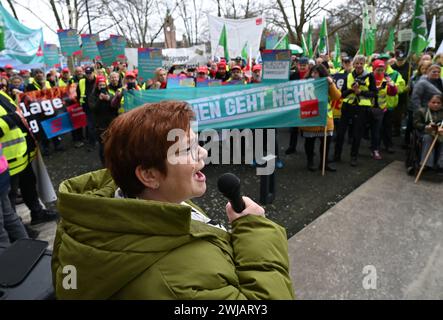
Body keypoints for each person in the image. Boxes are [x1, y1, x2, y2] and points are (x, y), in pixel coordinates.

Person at [51, 101, 295, 300]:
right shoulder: (178, 281)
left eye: (197, 143)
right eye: (188, 149)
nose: (203, 153)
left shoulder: (100, 215)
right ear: (149, 175)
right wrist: (255, 230)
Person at [0, 80, 58, 226]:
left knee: (29, 185)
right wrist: (13, 118)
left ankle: (37, 213)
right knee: (9, 199)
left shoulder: (2, 93)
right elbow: (13, 117)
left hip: (21, 155)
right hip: (7, 161)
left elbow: (17, 111)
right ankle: (17, 231)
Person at [334, 55, 377, 167]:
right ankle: (336, 155)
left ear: (364, 64)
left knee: (357, 134)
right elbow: (342, 94)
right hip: (348, 105)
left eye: (361, 63)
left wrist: (360, 92)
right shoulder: (348, 76)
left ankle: (354, 157)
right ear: (353, 64)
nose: (358, 65)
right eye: (356, 63)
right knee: (341, 132)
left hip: (362, 107)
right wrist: (351, 90)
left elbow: (374, 93)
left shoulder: (369, 76)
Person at [300, 64, 341, 172]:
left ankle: (324, 163)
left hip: (325, 119)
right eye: (312, 72)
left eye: (316, 73)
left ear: (322, 74)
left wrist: (331, 83)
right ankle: (310, 162)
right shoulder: (305, 83)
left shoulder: (327, 83)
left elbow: (337, 96)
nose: (313, 75)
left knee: (326, 144)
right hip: (311, 118)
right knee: (309, 143)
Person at [370, 59, 398, 160]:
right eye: (378, 69)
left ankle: (375, 150)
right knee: (360, 131)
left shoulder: (386, 79)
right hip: (366, 109)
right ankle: (355, 152)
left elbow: (393, 93)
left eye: (382, 69)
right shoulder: (369, 77)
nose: (380, 71)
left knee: (377, 131)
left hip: (380, 110)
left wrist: (392, 85)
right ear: (373, 69)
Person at [88, 75, 117, 165]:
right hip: (100, 126)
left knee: (113, 145)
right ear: (97, 86)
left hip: (111, 124)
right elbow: (93, 109)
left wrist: (109, 99)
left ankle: (113, 162)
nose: (102, 87)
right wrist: (99, 100)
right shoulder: (93, 96)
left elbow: (115, 108)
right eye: (100, 85)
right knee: (103, 146)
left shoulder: (110, 94)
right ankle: (104, 164)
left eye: (103, 85)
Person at [286, 57, 311, 155]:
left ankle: (309, 149)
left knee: (307, 130)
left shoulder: (312, 75)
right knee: (294, 128)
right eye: (301, 65)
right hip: (295, 105)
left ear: (308, 66)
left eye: (304, 65)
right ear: (297, 65)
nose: (302, 67)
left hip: (307, 105)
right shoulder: (293, 75)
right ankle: (292, 147)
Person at [405, 60, 433, 147]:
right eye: (423, 68)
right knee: (410, 124)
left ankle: (420, 143)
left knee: (422, 126)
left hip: (426, 107)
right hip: (413, 106)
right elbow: (410, 91)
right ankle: (407, 142)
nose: (424, 70)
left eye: (427, 68)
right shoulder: (414, 78)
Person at [413, 94, 443, 174]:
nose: (436, 104)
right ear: (428, 102)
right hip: (425, 133)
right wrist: (425, 126)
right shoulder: (421, 111)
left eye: (438, 103)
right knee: (428, 138)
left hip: (440, 134)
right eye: (433, 102)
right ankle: (426, 164)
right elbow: (416, 124)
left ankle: (440, 164)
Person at [77, 66, 97, 150]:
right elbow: (78, 93)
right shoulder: (81, 81)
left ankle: (99, 141)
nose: (89, 75)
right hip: (87, 108)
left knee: (99, 125)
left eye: (90, 73)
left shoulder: (98, 80)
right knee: (90, 126)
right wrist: (81, 102)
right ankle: (92, 143)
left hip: (98, 107)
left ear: (93, 72)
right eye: (87, 73)